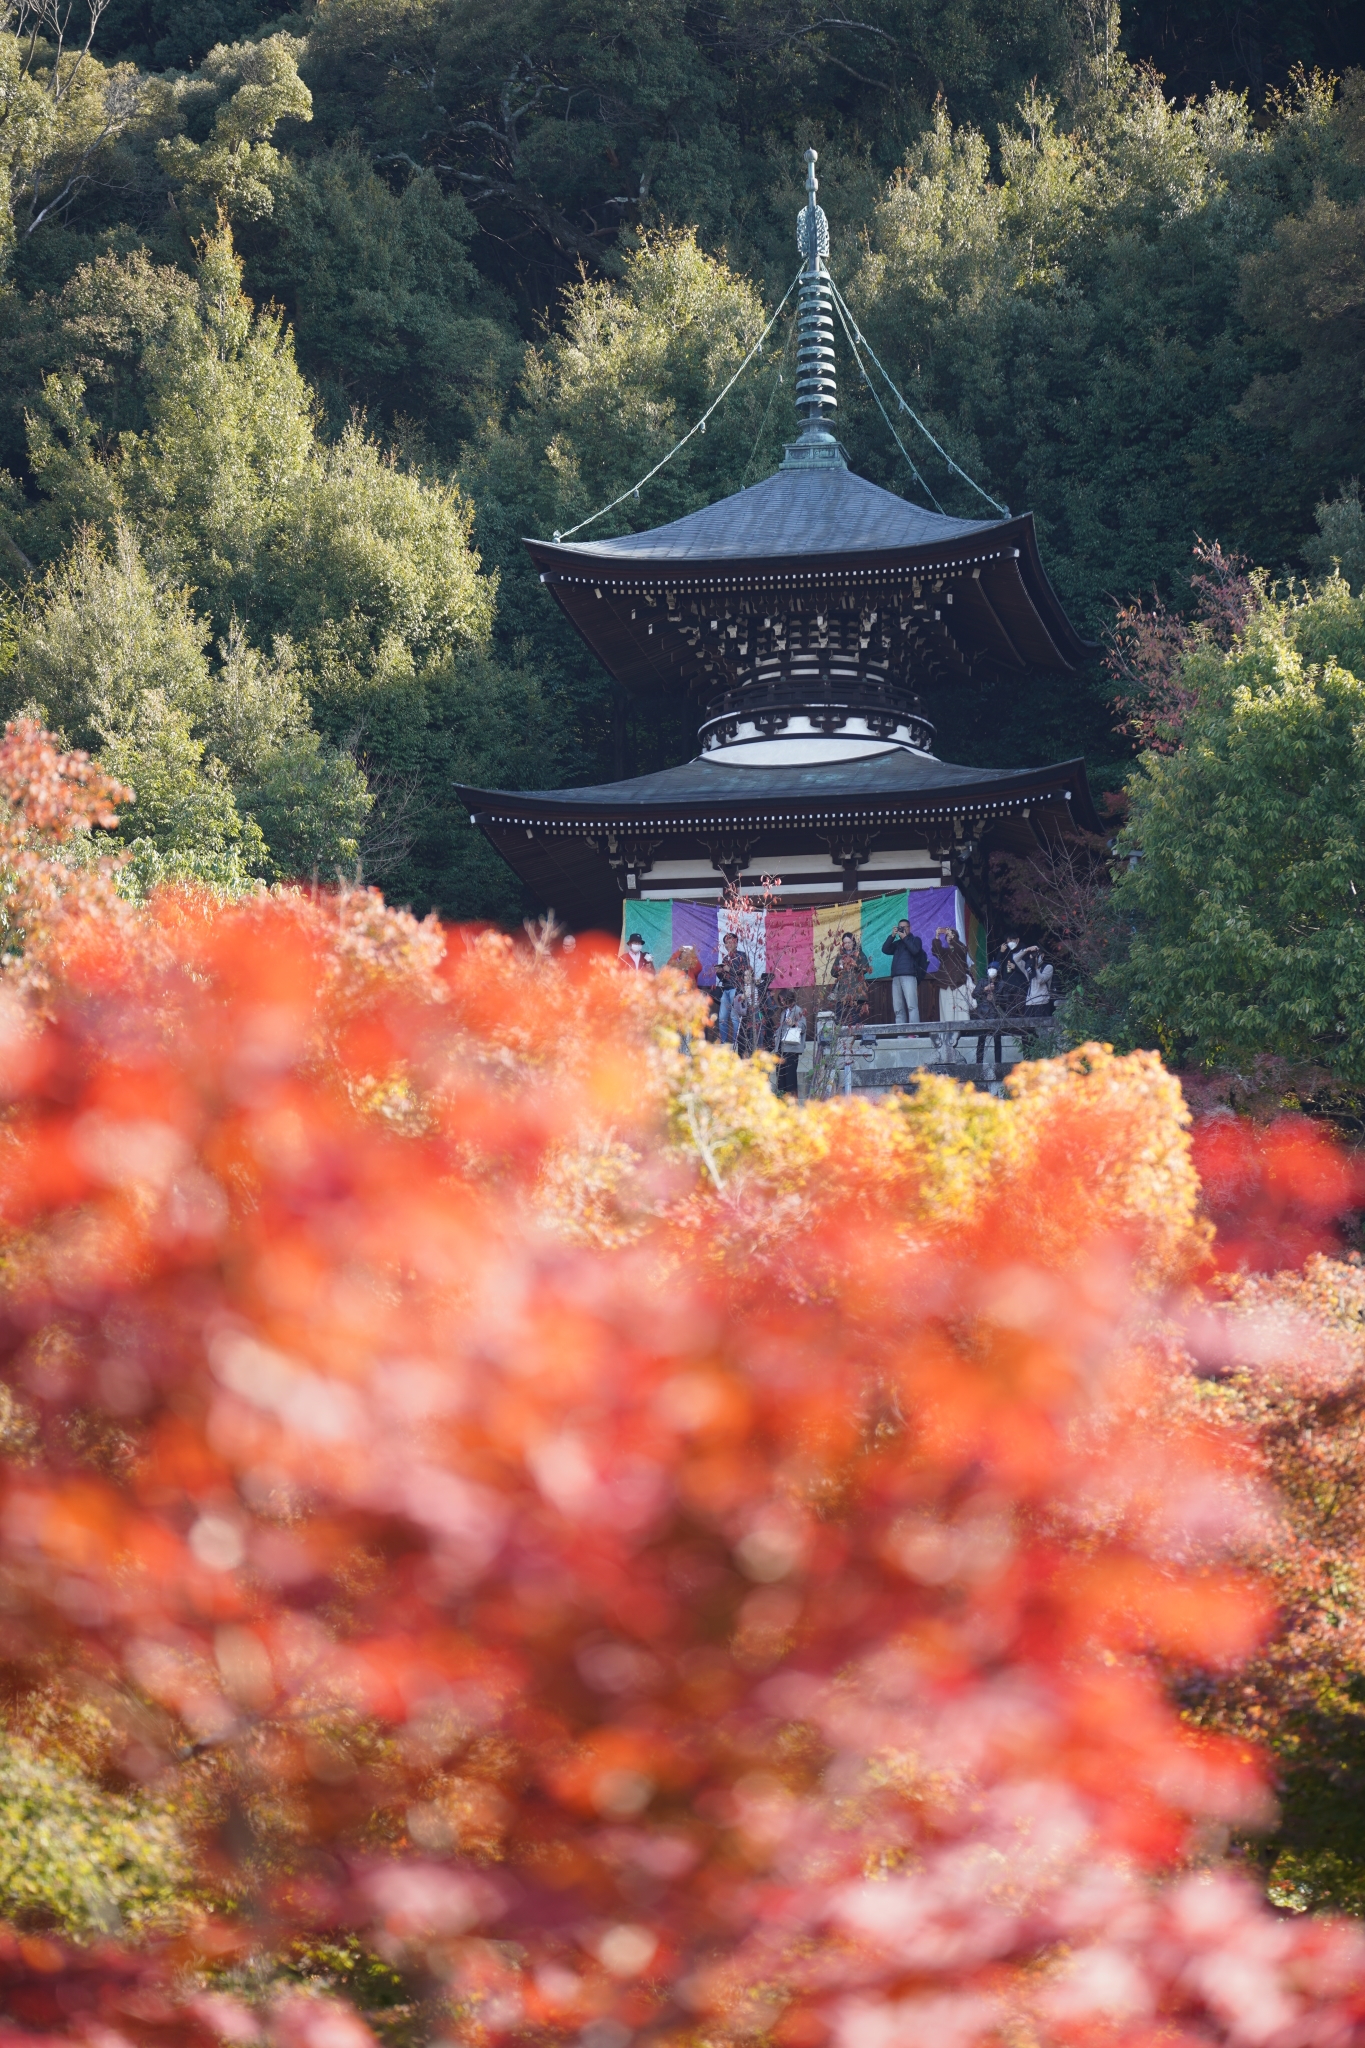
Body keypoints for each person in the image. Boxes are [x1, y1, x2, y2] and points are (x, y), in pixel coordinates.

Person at [881, 917, 927, 1025]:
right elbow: (885, 949)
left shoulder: (915, 940)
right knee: (898, 1008)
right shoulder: (897, 944)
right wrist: (892, 936)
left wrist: (905, 938)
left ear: (909, 928)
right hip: (896, 977)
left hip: (909, 976)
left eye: (904, 927)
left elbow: (915, 951)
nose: (901, 929)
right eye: (899, 928)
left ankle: (914, 1033)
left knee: (912, 1006)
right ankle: (901, 1034)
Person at [928, 926, 974, 1023]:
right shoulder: (944, 952)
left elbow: (960, 950)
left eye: (952, 935)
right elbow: (936, 951)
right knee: (947, 1011)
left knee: (961, 1011)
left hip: (960, 983)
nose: (950, 936)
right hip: (945, 983)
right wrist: (937, 937)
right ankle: (949, 1031)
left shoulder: (961, 948)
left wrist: (953, 939)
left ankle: (964, 1030)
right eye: (948, 935)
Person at [829, 930, 872, 1025]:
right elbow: (833, 973)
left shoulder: (860, 954)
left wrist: (855, 965)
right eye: (845, 942)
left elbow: (866, 969)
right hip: (843, 991)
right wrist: (840, 966)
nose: (847, 944)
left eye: (849, 942)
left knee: (855, 1016)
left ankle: (856, 1037)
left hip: (856, 990)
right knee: (838, 1014)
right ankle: (839, 1036)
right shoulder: (840, 956)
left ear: (853, 942)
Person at [715, 930, 750, 1045]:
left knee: (735, 1019)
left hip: (736, 989)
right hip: (726, 989)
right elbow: (725, 978)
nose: (728, 945)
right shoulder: (725, 959)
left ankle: (736, 1044)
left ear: (736, 943)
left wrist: (730, 970)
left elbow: (746, 973)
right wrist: (719, 972)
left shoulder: (742, 955)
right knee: (722, 1019)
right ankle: (724, 1043)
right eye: (726, 943)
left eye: (731, 942)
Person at [774, 990, 807, 1095]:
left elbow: (804, 1027)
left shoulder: (797, 1010)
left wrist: (794, 1023)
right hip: (781, 1047)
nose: (782, 1002)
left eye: (783, 1000)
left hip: (791, 1048)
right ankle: (782, 1096)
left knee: (790, 1075)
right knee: (780, 1074)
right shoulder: (784, 1012)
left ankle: (791, 1098)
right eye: (781, 1000)